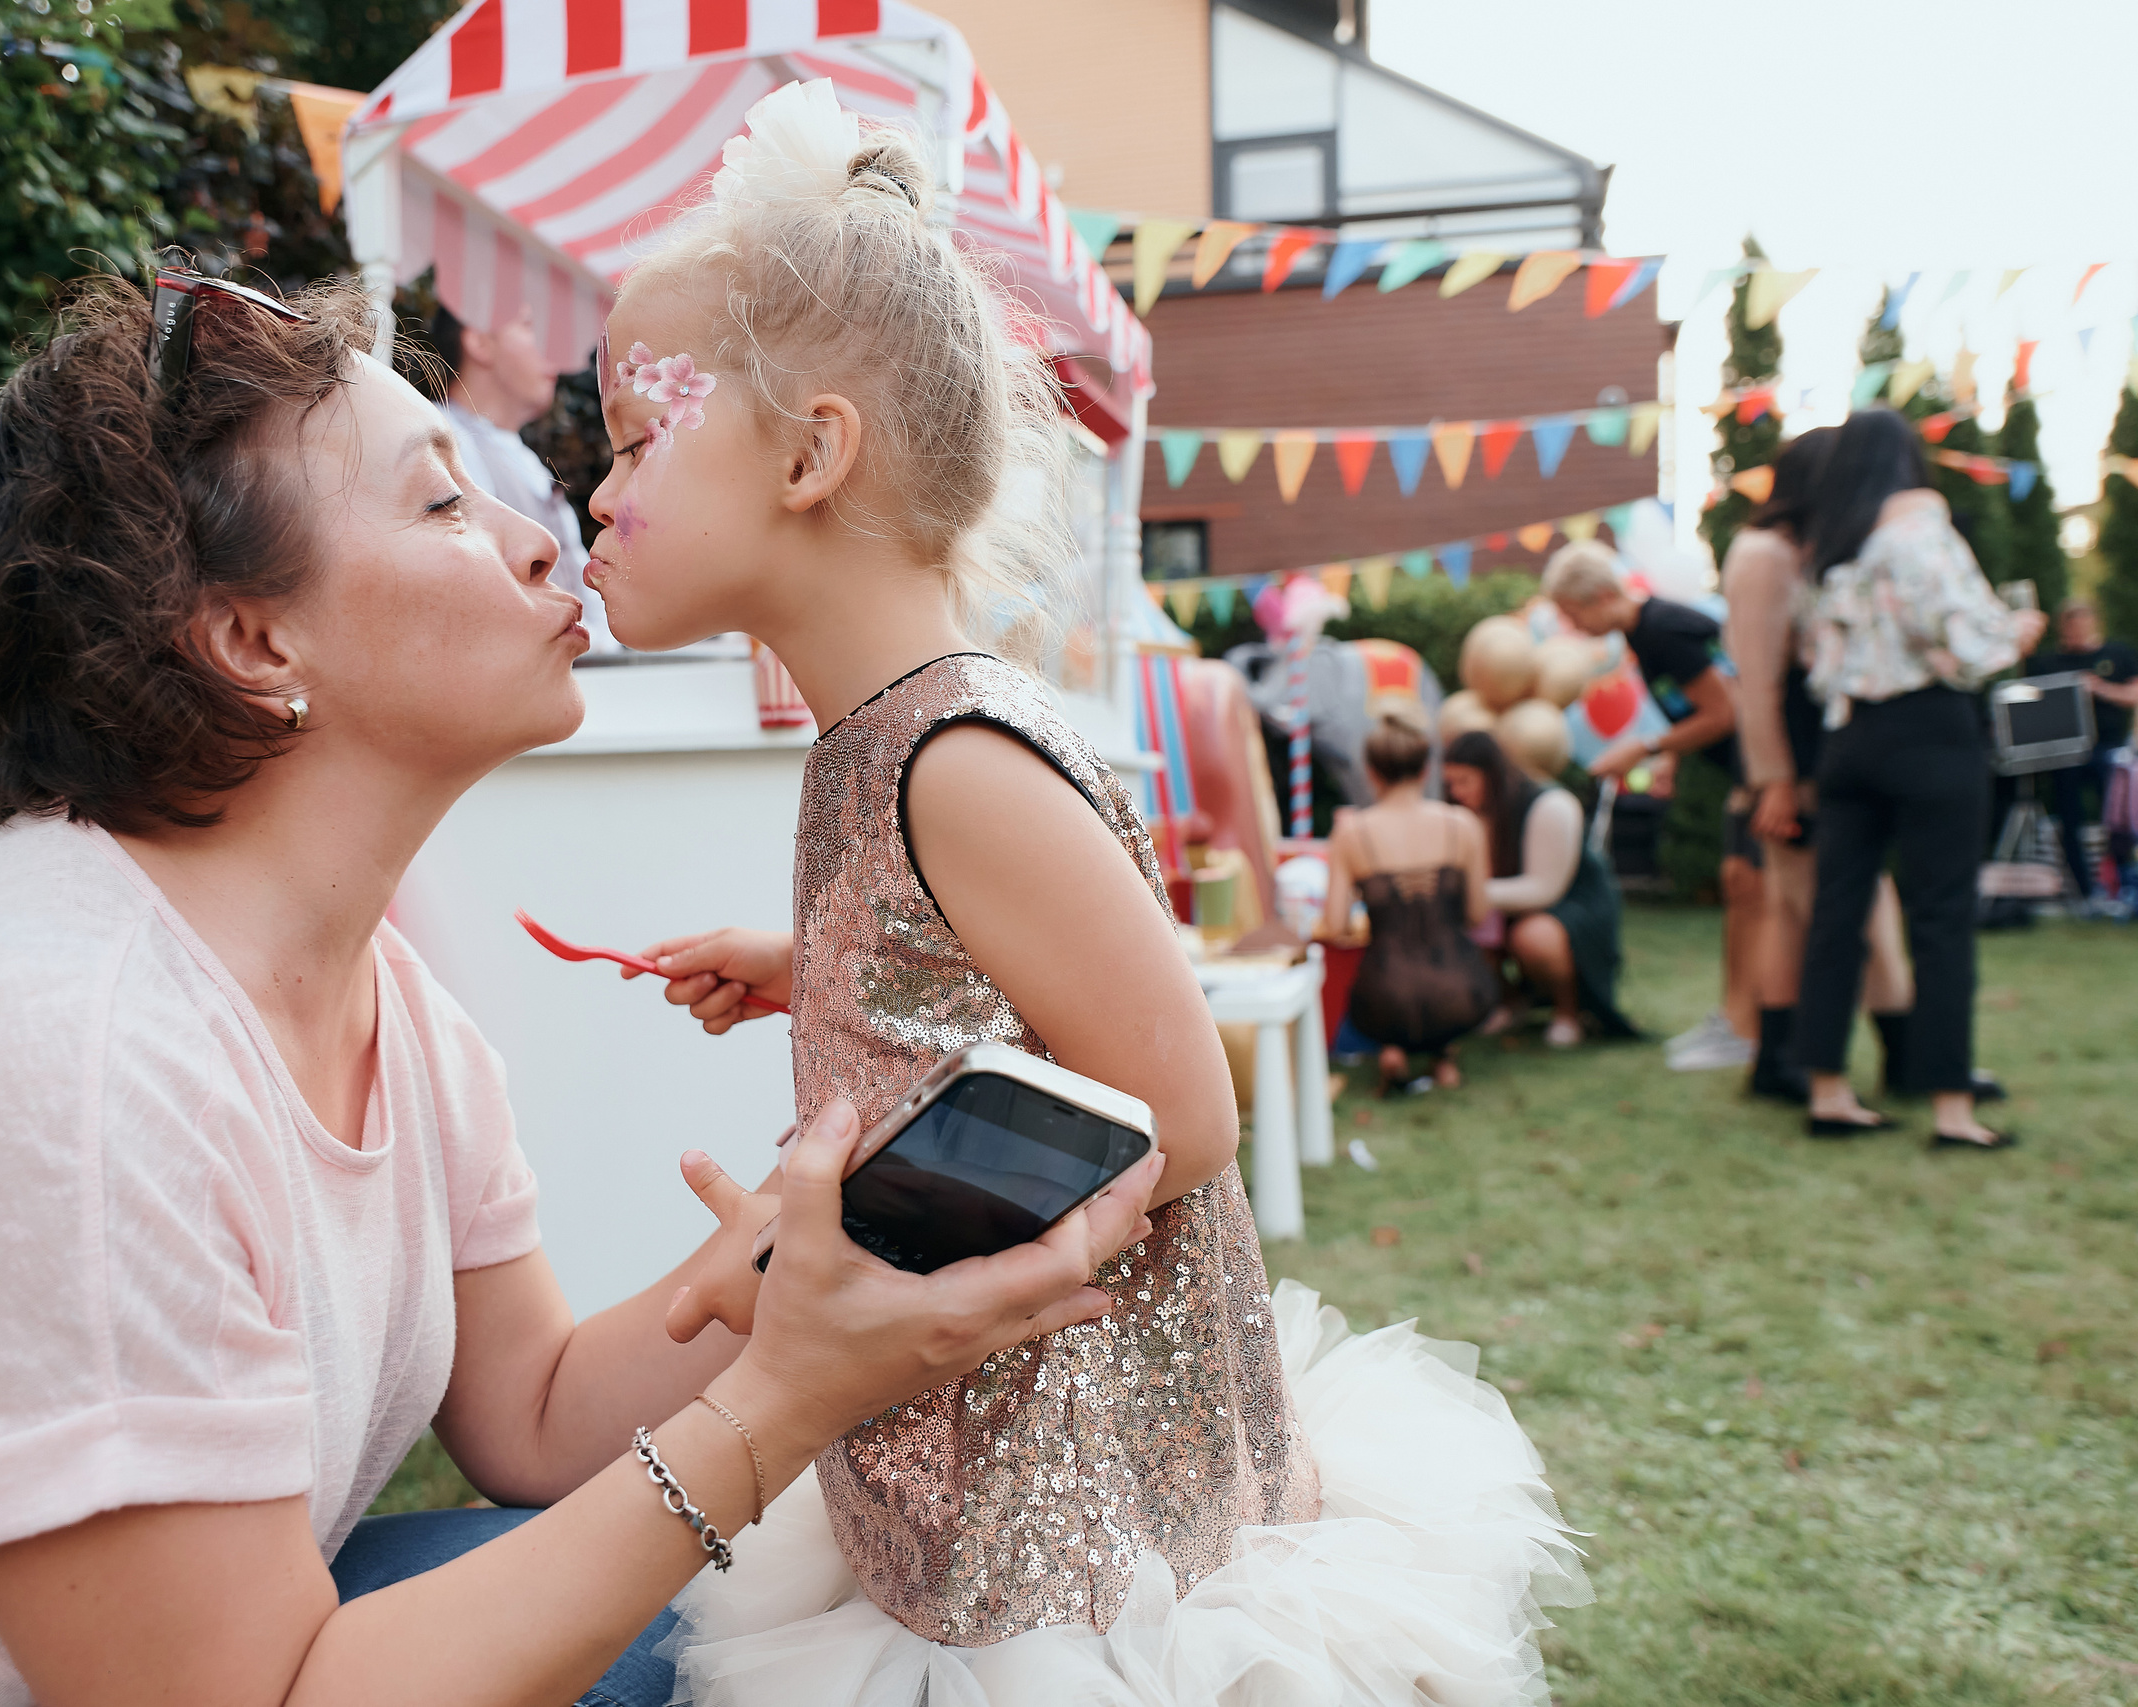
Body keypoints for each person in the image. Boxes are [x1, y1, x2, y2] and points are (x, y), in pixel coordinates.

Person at [0, 271, 1170, 1707]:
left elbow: (538, 1412)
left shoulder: (383, 1003)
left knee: (729, 1630)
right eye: (440, 505)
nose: (545, 535)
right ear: (252, 638)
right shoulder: (47, 1054)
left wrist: (814, 1252)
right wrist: (783, 1399)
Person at [581, 82, 1585, 1705]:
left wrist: (812, 1226)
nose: (600, 494)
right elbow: (997, 975)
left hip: (1079, 1546)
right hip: (960, 1474)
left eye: (635, 440)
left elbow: (1181, 1112)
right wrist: (825, 965)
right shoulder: (875, 741)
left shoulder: (956, 757)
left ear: (811, 453)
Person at [1796, 407, 2046, 1148]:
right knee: (1939, 919)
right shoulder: (1920, 533)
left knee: (1835, 917)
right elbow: (1968, 638)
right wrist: (2016, 633)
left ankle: (1827, 1093)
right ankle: (1950, 1108)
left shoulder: (1829, 549)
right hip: (1929, 734)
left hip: (1848, 739)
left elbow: (1819, 663)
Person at [1722, 429, 1923, 1103]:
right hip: (1797, 772)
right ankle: (1907, 1057)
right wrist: (1772, 779)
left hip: (1808, 765)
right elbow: (1757, 683)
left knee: (1793, 910)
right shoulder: (1764, 556)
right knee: (1864, 912)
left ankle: (1778, 1060)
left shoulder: (1797, 553)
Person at [1541, 541, 1751, 1069]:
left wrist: (1644, 747)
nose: (1570, 625)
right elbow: (1703, 703)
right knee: (1739, 884)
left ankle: (1745, 1022)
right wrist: (1673, 760)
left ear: (1599, 596)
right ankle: (1736, 1016)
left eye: (1571, 613)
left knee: (1749, 891)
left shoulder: (1661, 630)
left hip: (1762, 770)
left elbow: (1725, 713)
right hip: (1745, 771)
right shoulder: (1646, 632)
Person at [426, 295, 618, 649]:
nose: (554, 351)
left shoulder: (523, 457)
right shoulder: (440, 442)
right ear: (479, 340)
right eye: (531, 327)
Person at [1321, 716, 1500, 1093]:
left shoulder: (1352, 832)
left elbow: (1335, 925)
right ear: (1427, 769)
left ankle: (1394, 1049)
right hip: (1463, 990)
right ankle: (1443, 1056)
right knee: (1440, 976)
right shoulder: (1463, 824)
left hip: (1385, 997)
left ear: (1371, 772)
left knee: (1395, 982)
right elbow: (1478, 914)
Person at [1443, 728, 1637, 1048]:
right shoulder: (1469, 814)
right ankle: (1509, 1000)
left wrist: (1465, 894)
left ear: (1491, 777)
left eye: (1464, 782)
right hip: (1509, 906)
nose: (1456, 792)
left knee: (1532, 937)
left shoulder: (1551, 805)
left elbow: (1544, 890)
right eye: (1450, 783)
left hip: (1573, 910)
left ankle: (1569, 1012)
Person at [2022, 597, 2138, 912]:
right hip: (2065, 754)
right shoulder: (2049, 663)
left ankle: (2120, 885)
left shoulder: (2117, 654)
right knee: (2069, 819)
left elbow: (2133, 693)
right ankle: (2085, 894)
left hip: (2109, 750)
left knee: (2118, 818)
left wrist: (2097, 687)